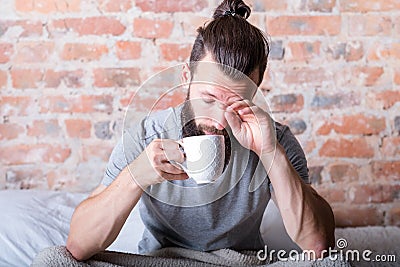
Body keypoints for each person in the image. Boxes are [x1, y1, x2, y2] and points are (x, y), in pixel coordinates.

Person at [66, 0, 335, 262]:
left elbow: (318, 245)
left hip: (240, 261)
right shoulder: (147, 136)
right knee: (52, 259)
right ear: (186, 77)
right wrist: (135, 176)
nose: (218, 122)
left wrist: (270, 152)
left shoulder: (274, 140)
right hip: (162, 260)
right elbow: (78, 245)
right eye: (208, 99)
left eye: (236, 104)